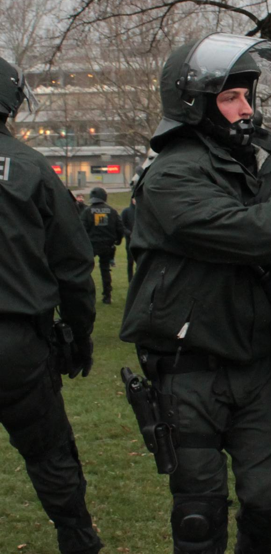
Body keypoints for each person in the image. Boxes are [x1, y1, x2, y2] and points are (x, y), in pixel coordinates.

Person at [119, 33, 271, 554]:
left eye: (248, 95)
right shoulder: (171, 177)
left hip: (253, 366)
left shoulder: (257, 162)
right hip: (186, 370)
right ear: (195, 104)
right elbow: (257, 235)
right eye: (230, 98)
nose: (246, 109)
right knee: (199, 517)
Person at [0, 56, 102, 554]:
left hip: (17, 336)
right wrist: (79, 334)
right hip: (17, 341)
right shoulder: (31, 167)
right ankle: (77, 537)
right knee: (49, 452)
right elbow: (72, 262)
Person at [80, 186, 124, 304]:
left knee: (86, 271)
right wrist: (118, 240)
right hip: (107, 245)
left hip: (91, 245)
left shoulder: (87, 211)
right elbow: (120, 228)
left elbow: (82, 229)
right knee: (105, 270)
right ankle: (107, 296)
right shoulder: (112, 211)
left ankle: (87, 295)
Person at [120, 197, 136, 282]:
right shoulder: (126, 211)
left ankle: (138, 280)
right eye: (134, 198)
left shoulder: (142, 211)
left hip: (141, 241)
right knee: (130, 262)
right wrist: (129, 233)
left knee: (140, 262)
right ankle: (131, 280)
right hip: (130, 241)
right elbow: (121, 225)